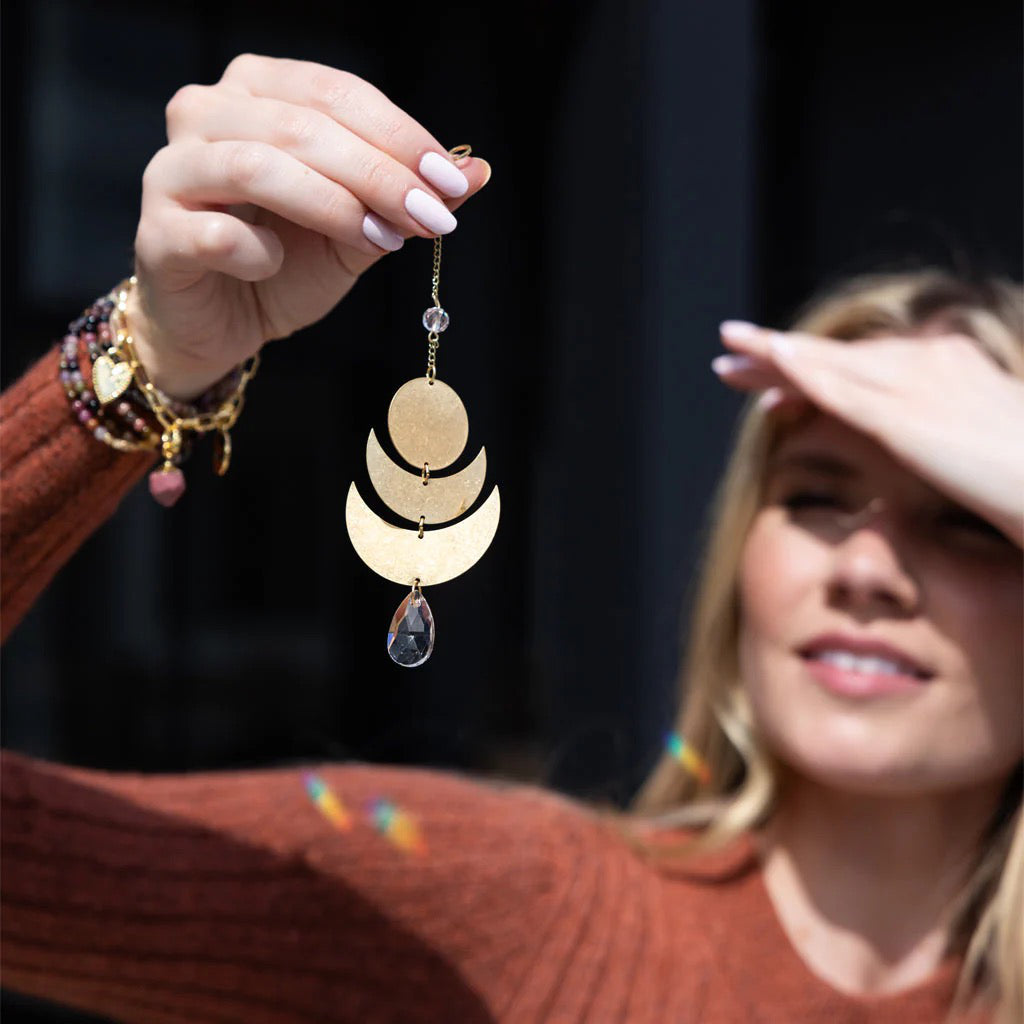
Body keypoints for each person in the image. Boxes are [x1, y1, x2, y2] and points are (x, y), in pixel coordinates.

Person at [1, 53, 1021, 1024]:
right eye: (814, 498)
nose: (866, 570)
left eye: (971, 523)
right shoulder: (509, 898)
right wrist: (149, 358)